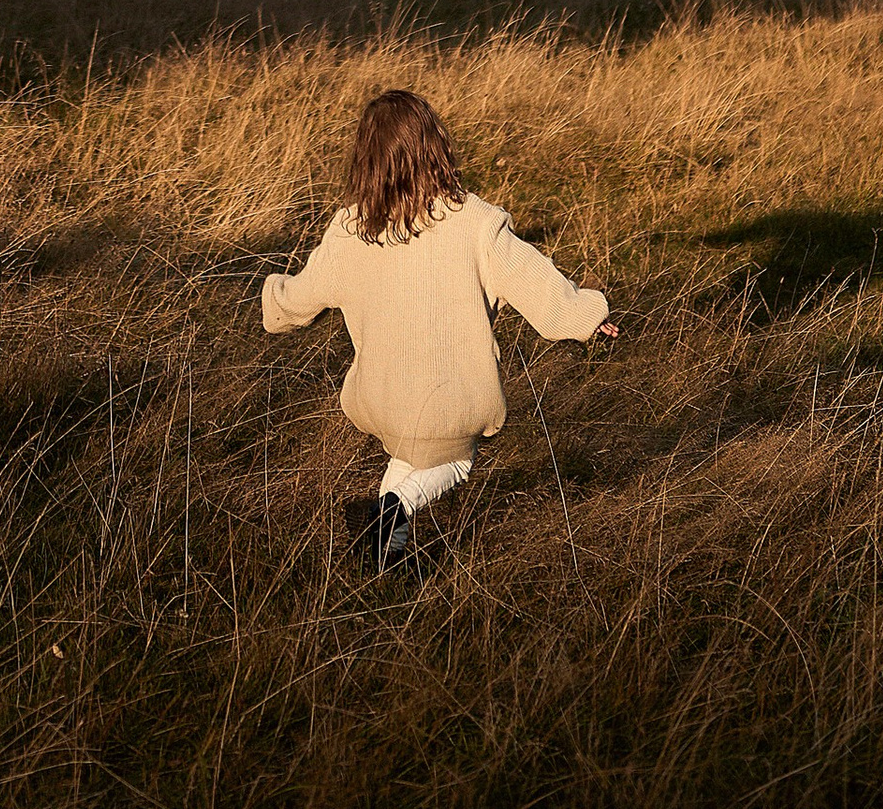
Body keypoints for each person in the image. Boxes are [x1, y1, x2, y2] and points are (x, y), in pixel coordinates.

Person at [260, 84, 617, 575]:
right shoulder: (475, 223)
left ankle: (387, 557)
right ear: (435, 147)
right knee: (454, 462)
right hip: (450, 401)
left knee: (409, 460)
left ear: (366, 161)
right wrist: (588, 316)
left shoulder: (349, 230)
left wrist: (273, 300)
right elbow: (540, 288)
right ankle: (392, 516)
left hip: (382, 398)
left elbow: (299, 298)